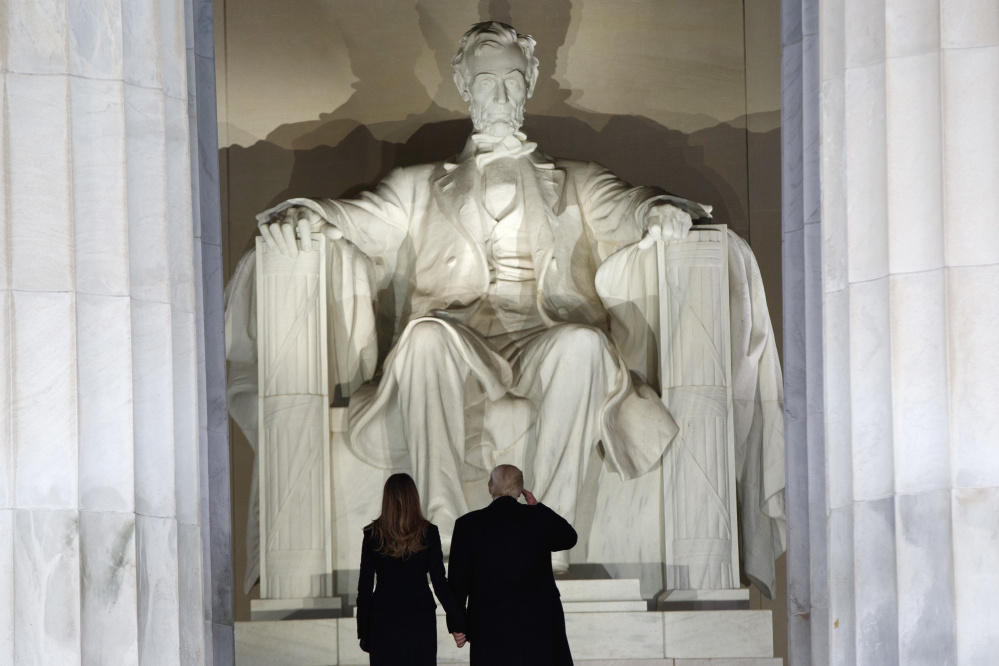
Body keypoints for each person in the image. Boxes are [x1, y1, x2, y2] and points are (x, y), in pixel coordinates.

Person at [255, 21, 708, 568]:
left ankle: (549, 534)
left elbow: (630, 205)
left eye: (512, 81)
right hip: (458, 338)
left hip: (544, 336)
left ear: (531, 81)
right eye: (487, 81)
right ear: (464, 84)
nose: (500, 95)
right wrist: (310, 215)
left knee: (586, 347)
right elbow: (358, 220)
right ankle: (443, 530)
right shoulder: (417, 185)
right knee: (422, 338)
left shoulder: (576, 178)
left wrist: (658, 211)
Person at [447, 464, 577, 665]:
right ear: (520, 490)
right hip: (536, 631)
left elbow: (457, 582)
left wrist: (457, 624)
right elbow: (569, 538)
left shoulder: (467, 525)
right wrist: (538, 508)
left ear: (490, 488)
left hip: (488, 632)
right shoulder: (537, 519)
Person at [356, 473, 467, 664]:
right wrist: (460, 623)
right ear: (413, 498)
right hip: (419, 618)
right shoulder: (429, 533)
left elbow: (364, 589)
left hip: (383, 620)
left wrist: (364, 632)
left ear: (387, 499)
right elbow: (440, 583)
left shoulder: (371, 534)